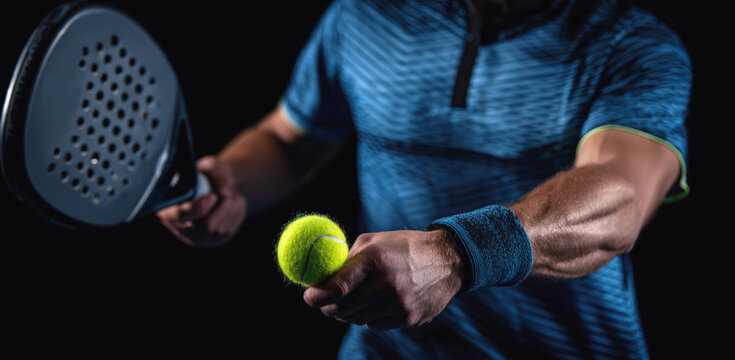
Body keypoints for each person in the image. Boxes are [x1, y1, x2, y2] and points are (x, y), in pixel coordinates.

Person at [157, 0, 691, 358]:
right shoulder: (361, 17)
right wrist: (227, 182)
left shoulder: (631, 45)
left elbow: (620, 194)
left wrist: (457, 255)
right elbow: (287, 141)